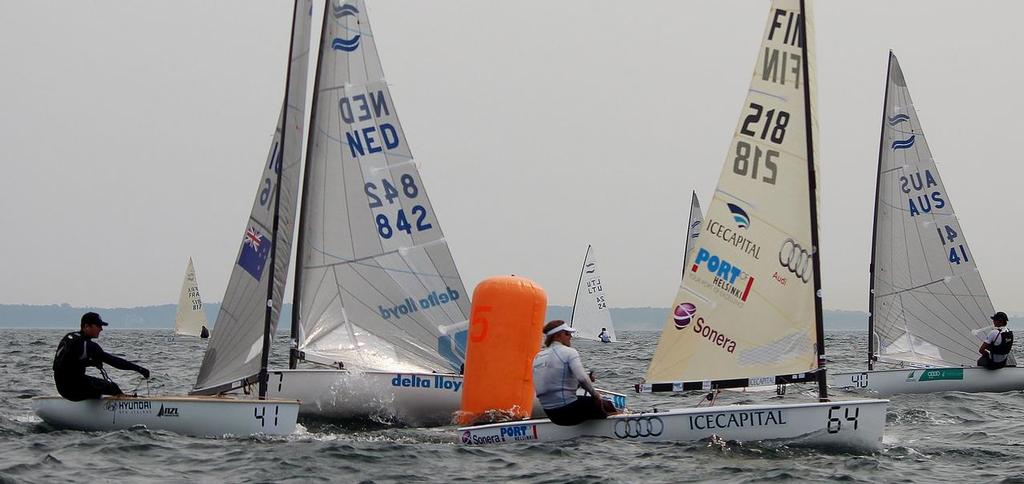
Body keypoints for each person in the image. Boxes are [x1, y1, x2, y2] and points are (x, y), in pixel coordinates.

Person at [533, 320, 616, 426]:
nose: (570, 336)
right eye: (567, 333)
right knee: (606, 404)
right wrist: (596, 396)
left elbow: (553, 385)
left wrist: (580, 383)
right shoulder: (569, 352)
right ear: (558, 335)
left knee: (586, 402)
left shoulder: (538, 357)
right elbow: (582, 379)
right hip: (569, 411)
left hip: (551, 414)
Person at [52, 312, 150, 401]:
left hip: (61, 386)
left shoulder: (70, 336)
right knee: (112, 387)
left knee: (98, 386)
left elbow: (66, 363)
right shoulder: (88, 345)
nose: (101, 329)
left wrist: (89, 362)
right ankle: (122, 404)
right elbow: (113, 361)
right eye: (98, 326)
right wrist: (138, 368)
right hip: (73, 388)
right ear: (86, 326)